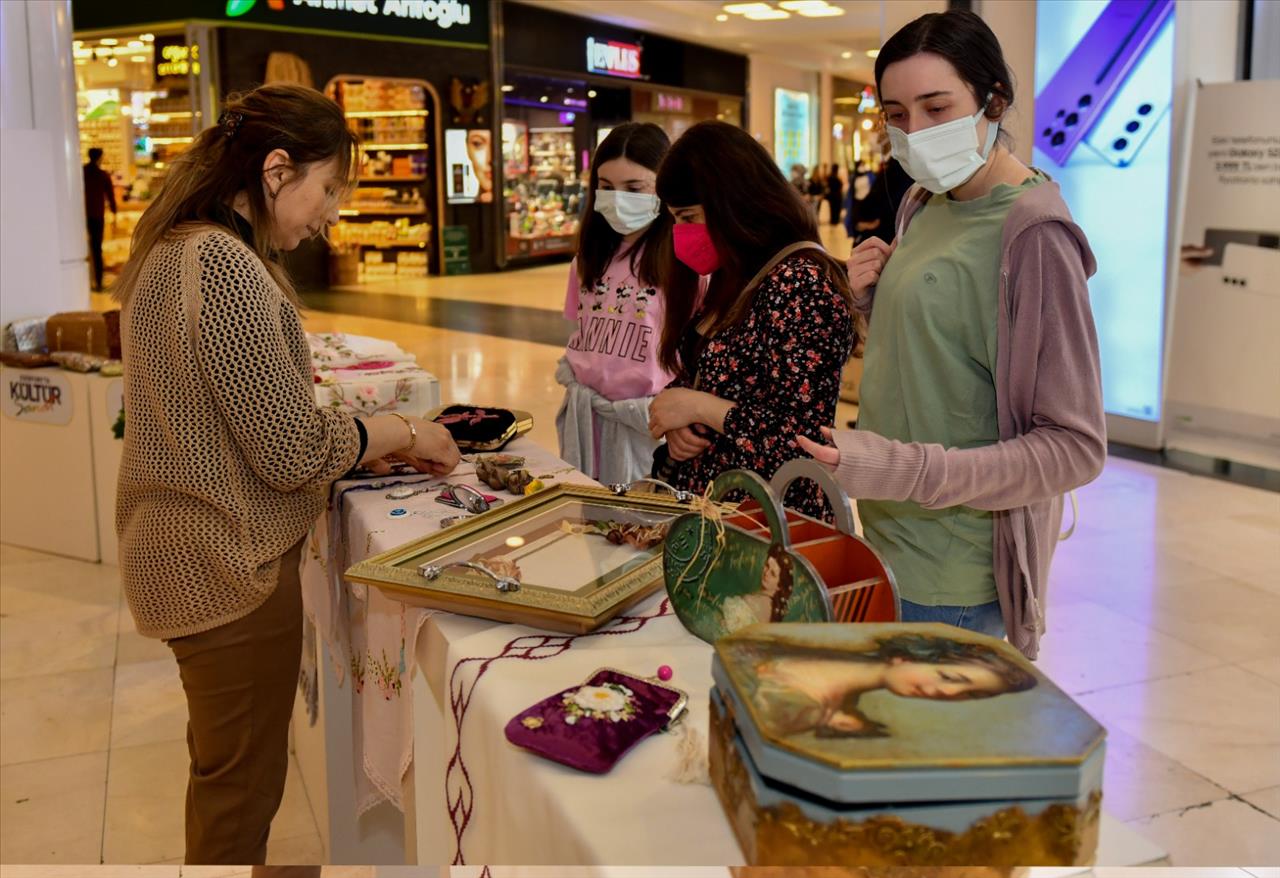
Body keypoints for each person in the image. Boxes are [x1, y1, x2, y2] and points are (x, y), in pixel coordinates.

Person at [112, 84, 461, 865]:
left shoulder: (174, 247)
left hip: (183, 550)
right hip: (221, 565)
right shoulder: (223, 263)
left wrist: (361, 437)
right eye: (329, 187)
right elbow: (290, 448)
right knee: (240, 792)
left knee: (225, 768)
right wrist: (400, 430)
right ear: (277, 170)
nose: (332, 211)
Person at [797, 10, 1106, 658]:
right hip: (883, 533)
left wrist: (897, 469)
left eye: (937, 108)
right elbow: (942, 361)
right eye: (896, 114)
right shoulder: (924, 203)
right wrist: (873, 305)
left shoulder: (1035, 234)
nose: (915, 133)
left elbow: (1074, 448)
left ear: (993, 101)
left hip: (953, 573)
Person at [647, 120, 856, 520]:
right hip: (719, 512)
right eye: (674, 219)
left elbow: (805, 438)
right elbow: (711, 370)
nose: (680, 233)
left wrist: (700, 407)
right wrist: (679, 420)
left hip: (770, 525)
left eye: (688, 217)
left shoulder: (800, 284)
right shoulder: (739, 274)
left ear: (732, 201)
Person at [556, 123, 675, 484]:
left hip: (650, 424)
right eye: (606, 187)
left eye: (634, 188)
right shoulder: (588, 259)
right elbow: (581, 330)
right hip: (587, 416)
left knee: (642, 527)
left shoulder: (682, 264)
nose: (618, 199)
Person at [747, 633, 1037, 739]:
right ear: (906, 656)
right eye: (949, 678)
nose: (946, 693)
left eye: (969, 695)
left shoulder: (840, 717)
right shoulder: (805, 697)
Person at [719, 543, 796, 634]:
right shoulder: (773, 608)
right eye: (767, 566)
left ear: (779, 586)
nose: (766, 573)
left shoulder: (751, 601)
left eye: (773, 574)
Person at [83, 146, 117, 291]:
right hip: (97, 215)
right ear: (100, 158)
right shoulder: (102, 175)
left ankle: (87, 281)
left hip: (82, 215)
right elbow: (110, 195)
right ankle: (98, 282)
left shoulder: (81, 172)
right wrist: (115, 211)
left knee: (85, 249)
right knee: (97, 249)